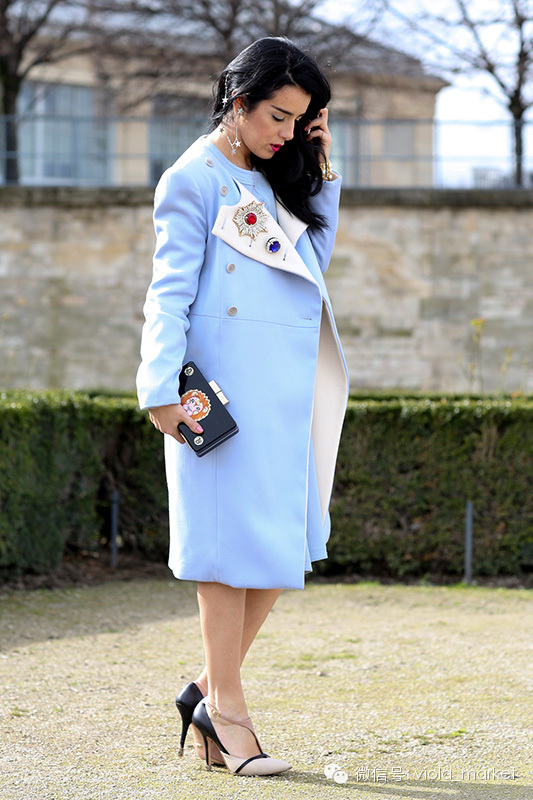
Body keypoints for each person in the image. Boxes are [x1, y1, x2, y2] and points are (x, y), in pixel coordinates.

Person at [136, 36, 348, 777]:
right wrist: (159, 388)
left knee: (282, 546)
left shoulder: (275, 177)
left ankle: (204, 692)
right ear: (238, 100)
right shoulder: (191, 178)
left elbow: (309, 271)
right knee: (226, 552)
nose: (286, 132)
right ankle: (227, 711)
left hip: (285, 390)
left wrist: (318, 167)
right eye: (277, 116)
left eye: (299, 120)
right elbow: (168, 292)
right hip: (218, 394)